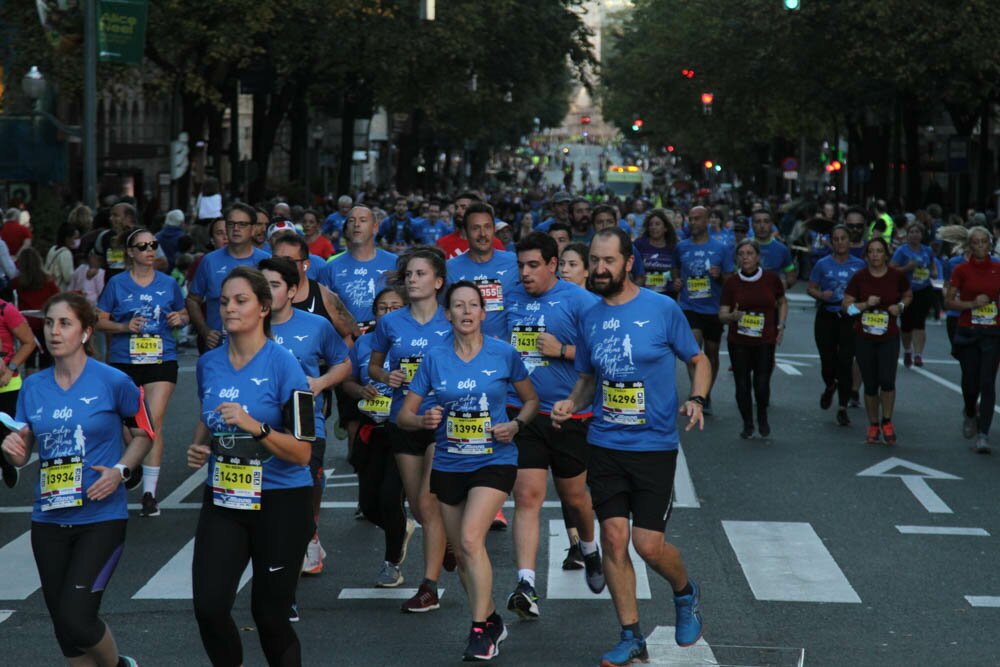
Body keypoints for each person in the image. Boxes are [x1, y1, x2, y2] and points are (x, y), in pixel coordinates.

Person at [552, 228, 710, 666]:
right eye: (595, 261)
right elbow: (587, 378)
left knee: (648, 546)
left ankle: (685, 592)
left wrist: (696, 398)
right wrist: (571, 402)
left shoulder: (662, 309)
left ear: (628, 263)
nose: (600, 269)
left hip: (654, 446)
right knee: (614, 540)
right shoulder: (589, 316)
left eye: (608, 261)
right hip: (604, 442)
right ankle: (630, 636)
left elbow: (698, 359)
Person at [1, 293, 153, 666]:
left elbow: (145, 435)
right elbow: (22, 446)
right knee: (65, 629)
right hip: (49, 518)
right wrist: (13, 452)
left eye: (65, 323)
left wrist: (120, 472)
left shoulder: (114, 382)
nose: (54, 331)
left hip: (100, 518)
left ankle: (120, 666)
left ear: (86, 332)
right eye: (50, 323)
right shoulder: (33, 387)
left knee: (77, 617)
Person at [398, 280, 539, 661]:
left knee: (473, 539)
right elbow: (403, 415)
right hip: (449, 462)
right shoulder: (435, 357)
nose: (465, 312)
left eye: (472, 305)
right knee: (461, 553)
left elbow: (530, 401)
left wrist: (516, 425)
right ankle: (492, 617)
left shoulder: (503, 353)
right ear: (448, 314)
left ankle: (479, 631)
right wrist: (423, 419)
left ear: (483, 312)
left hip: (494, 460)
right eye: (457, 306)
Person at [186, 266, 315, 666]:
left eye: (240, 301)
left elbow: (303, 452)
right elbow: (210, 415)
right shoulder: (209, 363)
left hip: (281, 499)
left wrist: (255, 427)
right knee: (208, 607)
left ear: (263, 307)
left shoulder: (285, 365)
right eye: (224, 301)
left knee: (270, 616)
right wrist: (200, 445)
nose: (229, 309)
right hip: (225, 497)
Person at [503, 232, 604, 620]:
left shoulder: (580, 300)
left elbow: (599, 354)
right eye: (520, 266)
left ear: (552, 264)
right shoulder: (511, 298)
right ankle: (526, 584)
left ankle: (590, 549)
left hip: (568, 417)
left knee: (575, 497)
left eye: (533, 266)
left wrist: (561, 350)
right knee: (527, 497)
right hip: (523, 411)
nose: (525, 274)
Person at [368, 248, 453, 613]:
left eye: (421, 274)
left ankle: (429, 586)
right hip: (403, 418)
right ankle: (445, 540)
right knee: (419, 509)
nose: (413, 280)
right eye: (409, 275)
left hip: (442, 421)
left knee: (428, 502)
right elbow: (373, 365)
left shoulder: (452, 320)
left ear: (438, 282)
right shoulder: (391, 323)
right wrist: (388, 375)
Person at [97, 229, 188, 518]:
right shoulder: (116, 284)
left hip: (162, 358)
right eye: (143, 246)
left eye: (154, 245)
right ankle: (133, 462)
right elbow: (99, 321)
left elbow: (183, 312)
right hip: (125, 359)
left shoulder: (169, 283)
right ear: (131, 253)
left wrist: (178, 317)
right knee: (128, 421)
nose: (150, 250)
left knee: (152, 421)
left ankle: (149, 493)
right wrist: (124, 327)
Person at [342, 286, 415, 586]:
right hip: (371, 432)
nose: (387, 313)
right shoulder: (362, 345)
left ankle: (391, 564)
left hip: (403, 431)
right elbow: (346, 380)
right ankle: (402, 528)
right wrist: (360, 390)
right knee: (369, 505)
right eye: (382, 308)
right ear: (374, 313)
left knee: (389, 496)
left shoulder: (413, 340)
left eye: (395, 307)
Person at [843, 238, 912, 445]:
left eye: (879, 251)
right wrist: (863, 305)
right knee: (871, 384)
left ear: (886, 255)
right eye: (871, 251)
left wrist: (899, 306)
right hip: (864, 337)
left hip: (888, 336)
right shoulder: (859, 278)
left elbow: (908, 295)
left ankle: (887, 421)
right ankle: (873, 424)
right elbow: (847, 308)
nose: (875, 255)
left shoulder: (896, 276)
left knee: (887, 381)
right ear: (866, 256)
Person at [719, 239, 788, 438]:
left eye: (750, 253)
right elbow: (722, 314)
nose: (745, 257)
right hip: (738, 340)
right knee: (742, 384)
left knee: (762, 383)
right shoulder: (732, 283)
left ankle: (762, 416)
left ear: (758, 257)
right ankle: (747, 423)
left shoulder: (770, 279)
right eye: (741, 254)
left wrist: (781, 325)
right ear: (737, 259)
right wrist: (732, 317)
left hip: (765, 339)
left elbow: (782, 302)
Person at [944, 226, 1000, 453]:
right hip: (968, 331)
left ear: (989, 244)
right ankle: (969, 411)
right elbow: (949, 302)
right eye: (975, 242)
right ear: (969, 245)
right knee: (970, 382)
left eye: (983, 242)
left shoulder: (998, 269)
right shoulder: (961, 270)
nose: (979, 246)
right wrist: (971, 304)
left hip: (992, 332)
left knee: (987, 383)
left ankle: (983, 435)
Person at [187, 203, 271, 352]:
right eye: (231, 224)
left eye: (242, 224)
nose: (236, 228)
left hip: (256, 347)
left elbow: (275, 303)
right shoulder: (209, 261)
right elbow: (193, 300)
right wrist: (205, 331)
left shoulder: (266, 262)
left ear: (252, 229)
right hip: (217, 348)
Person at [673, 205, 732, 414]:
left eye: (698, 218)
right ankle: (695, 391)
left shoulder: (720, 248)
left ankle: (705, 392)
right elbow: (675, 270)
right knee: (693, 349)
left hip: (713, 308)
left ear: (707, 221)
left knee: (712, 353)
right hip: (690, 306)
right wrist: (677, 281)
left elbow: (729, 278)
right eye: (691, 218)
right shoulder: (682, 247)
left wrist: (719, 276)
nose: (693, 222)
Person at [807, 225, 867, 426]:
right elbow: (811, 288)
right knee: (828, 360)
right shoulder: (823, 264)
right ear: (831, 242)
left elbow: (865, 291)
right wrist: (821, 295)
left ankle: (842, 406)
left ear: (850, 241)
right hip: (827, 314)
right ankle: (830, 385)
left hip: (849, 316)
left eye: (844, 238)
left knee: (845, 360)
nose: (840, 242)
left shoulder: (859, 265)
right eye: (836, 239)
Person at [445, 202, 519, 341]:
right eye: (475, 228)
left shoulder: (515, 262)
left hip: (506, 352)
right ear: (466, 232)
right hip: (464, 352)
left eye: (487, 227)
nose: (483, 234)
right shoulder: (449, 268)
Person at [320, 206, 397, 333]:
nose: (356, 224)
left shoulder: (394, 263)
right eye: (351, 220)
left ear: (375, 228)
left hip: (385, 336)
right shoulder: (331, 267)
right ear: (346, 229)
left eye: (363, 220)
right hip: (345, 337)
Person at [0, 296, 37, 488]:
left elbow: (29, 342)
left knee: (5, 435)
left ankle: (6, 463)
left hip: (6, 385)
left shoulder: (6, 309)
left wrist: (10, 368)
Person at [891, 221, 938, 367]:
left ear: (922, 235)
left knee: (920, 322)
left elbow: (932, 264)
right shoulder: (902, 251)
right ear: (907, 234)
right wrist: (907, 268)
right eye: (911, 232)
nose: (914, 235)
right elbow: (892, 270)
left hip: (924, 289)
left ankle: (918, 354)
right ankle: (907, 350)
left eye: (917, 232)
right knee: (906, 325)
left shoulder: (927, 250)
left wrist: (934, 271)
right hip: (906, 292)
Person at [12, 248, 60, 372]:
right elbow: (57, 298)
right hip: (45, 322)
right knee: (47, 356)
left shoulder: (17, 282)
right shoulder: (48, 281)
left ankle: (30, 384)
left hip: (26, 324)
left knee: (29, 357)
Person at [436, 192, 506, 259]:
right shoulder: (443, 243)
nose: (458, 211)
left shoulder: (494, 244)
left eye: (464, 208)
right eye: (456, 207)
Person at [635, 208, 678, 295]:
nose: (653, 227)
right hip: (644, 295)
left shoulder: (674, 247)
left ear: (665, 228)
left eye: (657, 224)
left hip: (668, 295)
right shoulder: (639, 244)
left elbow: (677, 274)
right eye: (651, 224)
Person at [751, 210, 797, 287]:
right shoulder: (743, 246)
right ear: (752, 224)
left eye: (766, 222)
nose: (762, 225)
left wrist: (785, 283)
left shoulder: (782, 249)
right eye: (758, 222)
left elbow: (791, 275)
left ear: (771, 224)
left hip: (771, 296)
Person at [45, 223, 79, 291]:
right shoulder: (66, 253)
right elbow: (69, 278)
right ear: (67, 238)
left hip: (49, 288)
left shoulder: (53, 248)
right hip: (59, 290)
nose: (75, 241)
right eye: (74, 238)